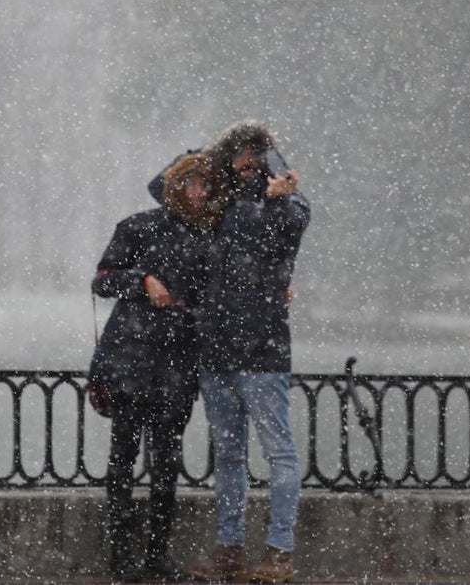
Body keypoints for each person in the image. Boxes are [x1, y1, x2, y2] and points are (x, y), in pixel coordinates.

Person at [181, 120, 310, 585]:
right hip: (217, 352)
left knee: (279, 452)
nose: (248, 160)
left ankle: (279, 555)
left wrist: (278, 175)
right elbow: (166, 184)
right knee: (230, 455)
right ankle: (230, 550)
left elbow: (294, 218)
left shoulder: (290, 205)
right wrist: (220, 149)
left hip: (262, 353)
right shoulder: (218, 206)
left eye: (257, 152)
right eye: (240, 153)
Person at [89, 153, 226, 582]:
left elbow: (222, 297)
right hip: (130, 361)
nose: (200, 192)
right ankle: (122, 555)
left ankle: (157, 554)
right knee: (122, 459)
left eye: (207, 186)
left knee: (167, 462)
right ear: (175, 185)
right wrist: (142, 280)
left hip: (179, 365)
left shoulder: (214, 237)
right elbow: (102, 280)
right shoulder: (137, 226)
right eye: (193, 184)